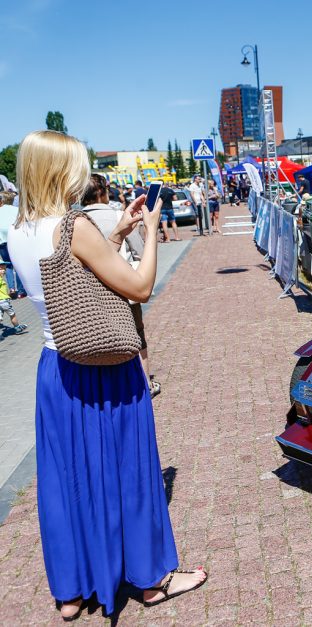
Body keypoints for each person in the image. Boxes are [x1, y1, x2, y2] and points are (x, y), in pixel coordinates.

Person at [6, 130, 207, 621]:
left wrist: (114, 233)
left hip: (56, 367)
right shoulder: (74, 226)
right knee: (131, 468)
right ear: (61, 170)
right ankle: (151, 577)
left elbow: (64, 278)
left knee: (66, 477)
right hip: (106, 368)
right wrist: (149, 231)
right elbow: (138, 286)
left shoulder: (17, 230)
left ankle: (73, 590)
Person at [80, 174, 160, 396]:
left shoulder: (75, 220)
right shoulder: (120, 215)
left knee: (101, 338)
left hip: (91, 292)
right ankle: (144, 383)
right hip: (124, 287)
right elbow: (140, 251)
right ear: (103, 192)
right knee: (136, 335)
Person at [1, 190, 24, 297]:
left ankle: (11, 288)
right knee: (18, 264)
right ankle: (21, 291)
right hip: (15, 240)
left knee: (8, 265)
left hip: (2, 242)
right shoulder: (17, 210)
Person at [0, 267, 27, 333]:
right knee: (12, 315)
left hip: (3, 300)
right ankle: (17, 328)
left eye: (4, 268)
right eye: (1, 269)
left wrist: (9, 294)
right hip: (4, 302)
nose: (3, 270)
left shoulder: (2, 279)